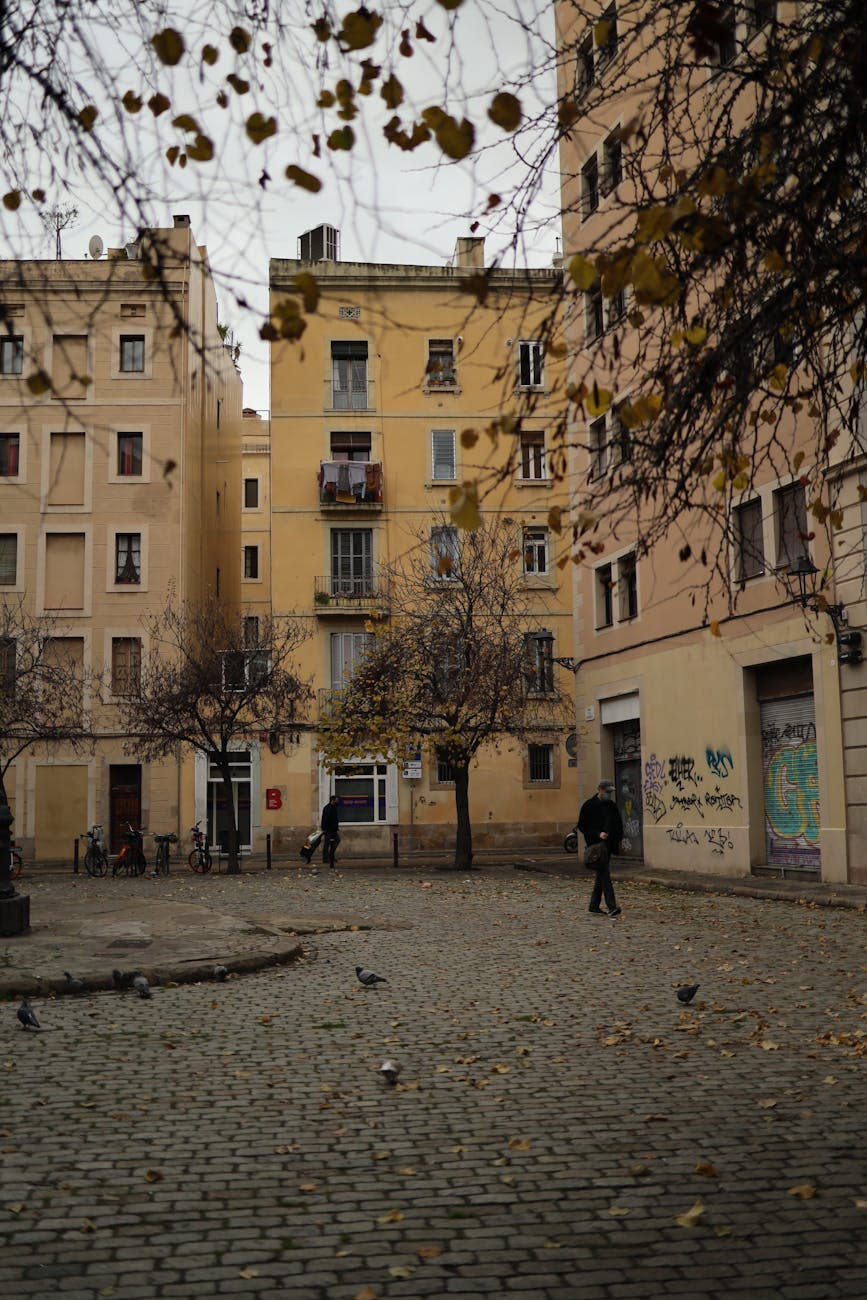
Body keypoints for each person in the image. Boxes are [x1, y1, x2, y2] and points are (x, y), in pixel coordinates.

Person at [577, 779, 623, 917]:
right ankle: (612, 906)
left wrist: (618, 839)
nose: (609, 794)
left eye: (610, 792)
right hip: (595, 846)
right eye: (607, 792)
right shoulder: (589, 805)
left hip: (608, 845)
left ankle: (594, 905)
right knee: (604, 874)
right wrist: (597, 833)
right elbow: (582, 825)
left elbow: (618, 823)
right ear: (600, 790)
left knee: (601, 875)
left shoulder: (611, 806)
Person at [320, 794, 341, 867]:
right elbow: (324, 819)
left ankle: (331, 856)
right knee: (327, 844)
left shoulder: (334, 807)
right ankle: (326, 858)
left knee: (337, 841)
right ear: (333, 800)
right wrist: (324, 829)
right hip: (329, 830)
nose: (338, 801)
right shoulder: (327, 808)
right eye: (337, 800)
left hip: (334, 830)